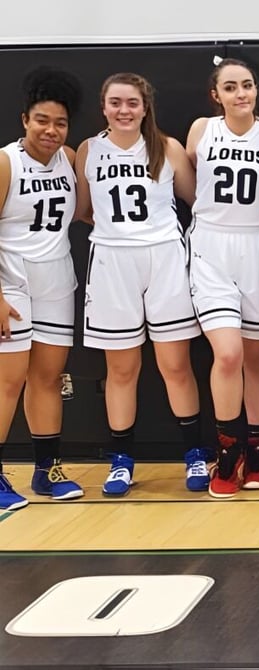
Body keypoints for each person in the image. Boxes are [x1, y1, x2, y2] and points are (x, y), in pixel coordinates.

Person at [74, 73, 206, 497]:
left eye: (132, 103)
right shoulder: (89, 150)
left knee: (175, 365)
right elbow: (83, 209)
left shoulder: (167, 148)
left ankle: (194, 454)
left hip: (165, 257)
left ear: (145, 107)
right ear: (103, 106)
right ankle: (122, 460)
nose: (124, 110)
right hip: (112, 260)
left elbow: (194, 201)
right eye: (115, 103)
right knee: (122, 368)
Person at [185, 58, 259, 498]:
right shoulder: (201, 130)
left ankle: (258, 454)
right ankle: (228, 452)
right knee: (226, 354)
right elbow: (188, 183)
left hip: (258, 246)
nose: (241, 93)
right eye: (230, 87)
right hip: (211, 244)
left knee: (257, 358)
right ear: (216, 95)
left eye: (247, 85)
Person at [0, 68, 83, 510]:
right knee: (8, 382)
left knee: (47, 378)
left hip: (54, 280)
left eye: (60, 123)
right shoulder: (5, 161)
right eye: (42, 120)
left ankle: (46, 470)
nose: (51, 130)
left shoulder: (69, 158)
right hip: (10, 282)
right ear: (24, 120)